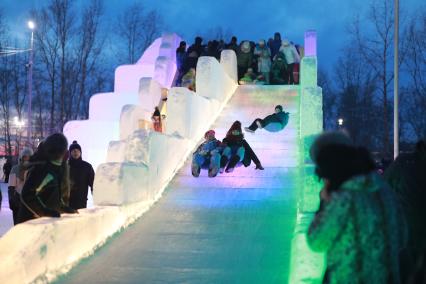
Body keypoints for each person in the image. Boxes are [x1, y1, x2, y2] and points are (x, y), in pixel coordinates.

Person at [307, 131, 407, 284]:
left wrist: (324, 203)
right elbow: (402, 238)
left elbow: (316, 241)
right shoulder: (385, 191)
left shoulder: (343, 199)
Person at [384, 139, 426, 282]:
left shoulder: (404, 162)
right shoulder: (404, 162)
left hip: (406, 224)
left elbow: (385, 184)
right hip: (409, 225)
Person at [18, 133, 78, 223]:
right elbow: (28, 195)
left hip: (47, 223)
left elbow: (53, 194)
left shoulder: (57, 168)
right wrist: (44, 212)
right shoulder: (43, 169)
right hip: (33, 224)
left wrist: (63, 208)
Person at [8, 148, 33, 225]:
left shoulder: (33, 170)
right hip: (18, 200)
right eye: (25, 157)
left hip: (29, 202)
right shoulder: (15, 169)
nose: (27, 159)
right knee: (17, 224)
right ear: (21, 158)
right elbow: (11, 186)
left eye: (29, 157)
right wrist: (13, 199)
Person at [68, 141, 95, 210]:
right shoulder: (65, 166)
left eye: (77, 151)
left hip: (81, 201)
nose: (76, 152)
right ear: (70, 153)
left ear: (80, 152)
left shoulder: (87, 166)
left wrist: (95, 193)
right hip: (67, 201)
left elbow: (93, 182)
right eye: (73, 151)